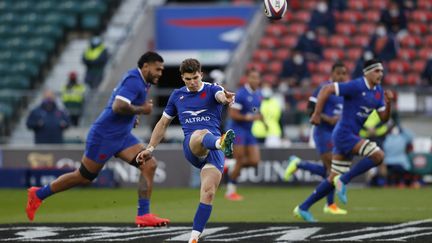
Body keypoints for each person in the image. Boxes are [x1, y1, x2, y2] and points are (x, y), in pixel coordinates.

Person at [26, 51, 170, 227]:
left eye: (161, 70)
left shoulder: (141, 81)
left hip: (122, 136)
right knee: (84, 177)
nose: (160, 73)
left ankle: (143, 214)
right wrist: (141, 110)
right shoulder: (134, 80)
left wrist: (132, 117)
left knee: (149, 164)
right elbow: (118, 106)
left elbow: (118, 104)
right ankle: (38, 194)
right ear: (146, 66)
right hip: (105, 136)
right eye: (158, 69)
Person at [135, 58, 235, 243]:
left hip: (213, 151)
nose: (192, 82)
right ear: (182, 78)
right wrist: (150, 148)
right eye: (188, 79)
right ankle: (221, 143)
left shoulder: (213, 89)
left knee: (209, 192)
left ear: (201, 75)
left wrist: (226, 98)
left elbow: (221, 96)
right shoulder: (177, 96)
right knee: (200, 133)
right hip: (193, 146)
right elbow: (163, 123)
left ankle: (194, 237)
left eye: (195, 77)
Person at [293, 59, 394, 222]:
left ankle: (303, 207)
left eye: (381, 71)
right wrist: (317, 114)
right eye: (376, 71)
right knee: (378, 156)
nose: (380, 74)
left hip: (348, 135)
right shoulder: (356, 85)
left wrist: (389, 104)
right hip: (344, 134)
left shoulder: (378, 91)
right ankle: (344, 180)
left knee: (332, 178)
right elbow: (326, 89)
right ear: (367, 72)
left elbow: (383, 118)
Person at [284, 62, 348, 215]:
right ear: (331, 74)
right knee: (334, 170)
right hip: (323, 132)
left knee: (330, 171)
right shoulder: (323, 88)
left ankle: (299, 164)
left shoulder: (344, 92)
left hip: (336, 134)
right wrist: (327, 118)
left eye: (344, 73)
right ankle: (328, 205)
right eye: (338, 73)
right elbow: (310, 109)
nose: (341, 76)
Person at [226, 68, 262, 201]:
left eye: (257, 78)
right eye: (252, 77)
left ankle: (230, 166)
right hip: (237, 130)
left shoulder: (258, 94)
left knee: (255, 161)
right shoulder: (241, 94)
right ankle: (230, 190)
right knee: (240, 160)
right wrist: (249, 117)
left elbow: (255, 110)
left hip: (249, 131)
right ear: (248, 78)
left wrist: (261, 119)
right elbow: (232, 114)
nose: (255, 80)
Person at [251, 82, 283, 147]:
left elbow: (280, 118)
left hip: (271, 132)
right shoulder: (257, 101)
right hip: (258, 132)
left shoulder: (275, 102)